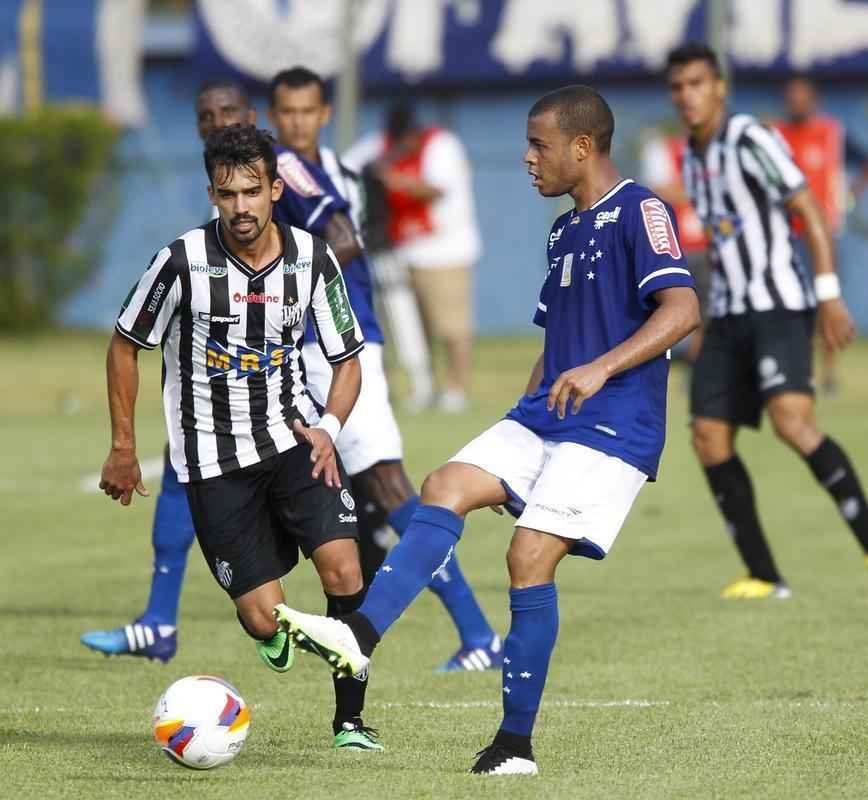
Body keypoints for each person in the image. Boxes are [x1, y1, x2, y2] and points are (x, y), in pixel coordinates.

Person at [271, 85, 701, 775]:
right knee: (445, 483)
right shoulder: (564, 229)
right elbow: (556, 341)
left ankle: (514, 746)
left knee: (528, 556)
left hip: (616, 426)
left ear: (582, 147)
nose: (528, 158)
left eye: (539, 145)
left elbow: (681, 309)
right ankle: (358, 636)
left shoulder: (640, 210)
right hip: (545, 418)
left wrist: (600, 368)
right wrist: (523, 415)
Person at [98, 123, 383, 750]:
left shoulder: (312, 258)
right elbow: (125, 344)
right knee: (261, 617)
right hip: (212, 461)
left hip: (294, 440)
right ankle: (275, 634)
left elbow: (348, 359)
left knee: (343, 569)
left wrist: (329, 429)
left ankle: (350, 722)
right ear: (212, 194)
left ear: (276, 188)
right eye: (227, 195)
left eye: (253, 191)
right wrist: (123, 445)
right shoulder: (180, 262)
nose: (241, 207)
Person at [266, 66, 501, 672]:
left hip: (332, 345)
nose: (294, 122)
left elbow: (343, 239)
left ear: (322, 113)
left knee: (390, 486)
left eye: (305, 111)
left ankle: (476, 632)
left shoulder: (291, 170)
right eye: (284, 112)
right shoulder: (332, 169)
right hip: (319, 346)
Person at [666, 42, 868, 600]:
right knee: (707, 436)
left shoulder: (750, 137)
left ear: (720, 88)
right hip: (727, 312)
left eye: (698, 83)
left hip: (778, 303)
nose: (688, 96)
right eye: (678, 86)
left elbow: (808, 207)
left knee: (793, 423)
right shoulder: (692, 157)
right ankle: (763, 574)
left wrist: (829, 295)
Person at [81, 79, 258, 662]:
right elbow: (127, 340)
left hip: (308, 364)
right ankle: (159, 622)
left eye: (226, 112)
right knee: (185, 462)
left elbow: (337, 248)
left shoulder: (284, 183)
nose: (215, 122)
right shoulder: (209, 215)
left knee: (378, 494)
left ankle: (469, 631)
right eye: (205, 114)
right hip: (232, 376)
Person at [352, 103, 482, 413]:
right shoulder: (380, 145)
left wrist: (391, 178)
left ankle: (455, 389)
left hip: (445, 249)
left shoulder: (442, 145)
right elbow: (348, 165)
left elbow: (434, 189)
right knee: (412, 328)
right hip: (401, 249)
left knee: (452, 326)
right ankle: (423, 388)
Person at [775, 74, 868, 394]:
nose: (796, 100)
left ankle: (829, 373)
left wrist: (849, 195)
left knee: (825, 303)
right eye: (791, 95)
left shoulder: (832, 133)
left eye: (802, 94)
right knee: (785, 305)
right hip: (782, 235)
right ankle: (789, 370)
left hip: (822, 234)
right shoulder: (776, 135)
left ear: (814, 99)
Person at [639, 127, 710, 361]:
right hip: (673, 247)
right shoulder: (664, 149)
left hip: (706, 246)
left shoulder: (716, 150)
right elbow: (658, 191)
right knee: (662, 308)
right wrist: (702, 192)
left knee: (706, 312)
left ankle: (695, 363)